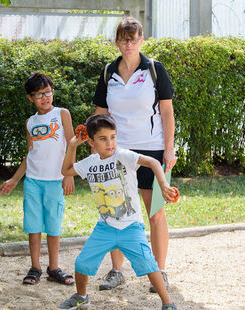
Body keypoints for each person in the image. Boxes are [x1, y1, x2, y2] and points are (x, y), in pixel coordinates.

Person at [59, 114, 177, 310]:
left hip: (131, 227)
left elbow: (154, 163)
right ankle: (81, 297)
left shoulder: (124, 156)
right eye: (103, 138)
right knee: (82, 263)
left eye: (113, 137)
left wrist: (163, 184)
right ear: (91, 140)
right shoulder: (89, 163)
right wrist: (72, 145)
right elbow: (66, 170)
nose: (110, 142)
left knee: (149, 264)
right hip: (104, 227)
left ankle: (168, 302)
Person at [93, 16, 176, 292]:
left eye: (134, 38)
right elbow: (100, 115)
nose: (129, 44)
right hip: (117, 151)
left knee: (155, 214)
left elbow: (166, 111)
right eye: (124, 39)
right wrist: (97, 149)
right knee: (116, 211)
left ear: (142, 41)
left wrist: (170, 148)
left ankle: (159, 271)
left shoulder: (154, 69)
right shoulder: (108, 72)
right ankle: (117, 271)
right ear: (117, 42)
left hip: (152, 149)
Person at [0, 73, 75, 286]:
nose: (44, 97)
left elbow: (72, 144)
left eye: (47, 92)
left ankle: (54, 267)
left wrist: (68, 174)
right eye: (39, 94)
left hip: (55, 181)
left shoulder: (62, 114)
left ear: (52, 91)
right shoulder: (30, 122)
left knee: (53, 226)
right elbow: (29, 154)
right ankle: (35, 267)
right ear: (30, 98)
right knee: (33, 226)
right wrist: (14, 179)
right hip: (33, 181)